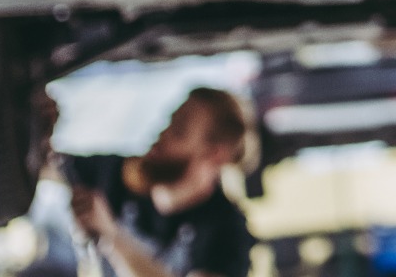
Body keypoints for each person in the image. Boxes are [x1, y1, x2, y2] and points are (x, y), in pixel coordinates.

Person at [57, 88, 256, 277]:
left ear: (214, 154)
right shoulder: (119, 173)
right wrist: (41, 125)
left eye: (179, 131)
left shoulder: (227, 233)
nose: (163, 134)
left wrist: (112, 238)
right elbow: (48, 165)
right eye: (170, 122)